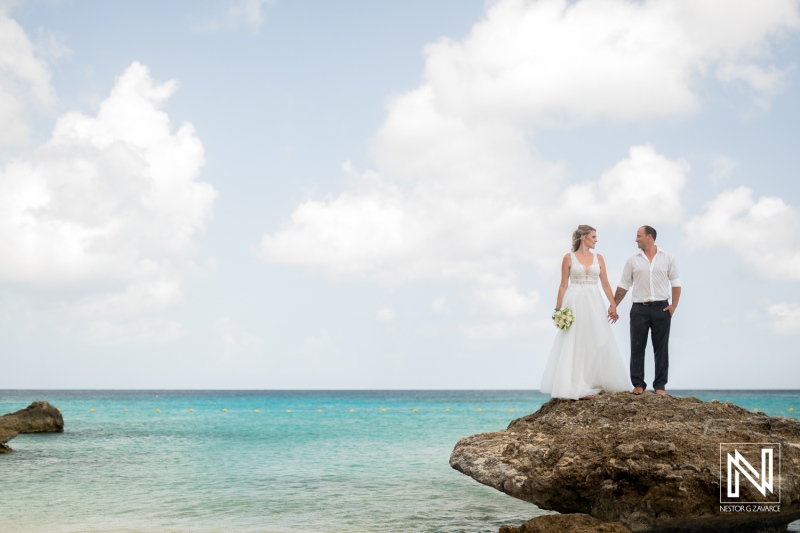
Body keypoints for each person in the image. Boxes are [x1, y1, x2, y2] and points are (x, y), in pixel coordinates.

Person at [540, 225, 633, 400]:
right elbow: (563, 285)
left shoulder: (599, 258)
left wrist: (613, 305)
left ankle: (596, 382)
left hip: (594, 300)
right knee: (576, 341)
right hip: (574, 301)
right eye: (593, 236)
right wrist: (558, 309)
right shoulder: (568, 258)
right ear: (583, 237)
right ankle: (578, 387)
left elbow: (605, 284)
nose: (596, 240)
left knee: (598, 340)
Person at [614, 225, 681, 396]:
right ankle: (638, 383)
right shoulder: (632, 260)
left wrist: (673, 306)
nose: (636, 239)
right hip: (639, 309)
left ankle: (660, 385)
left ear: (649, 237)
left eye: (638, 236)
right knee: (637, 347)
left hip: (662, 308)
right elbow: (624, 285)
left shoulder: (668, 258)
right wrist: (614, 305)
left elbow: (676, 282)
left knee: (661, 348)